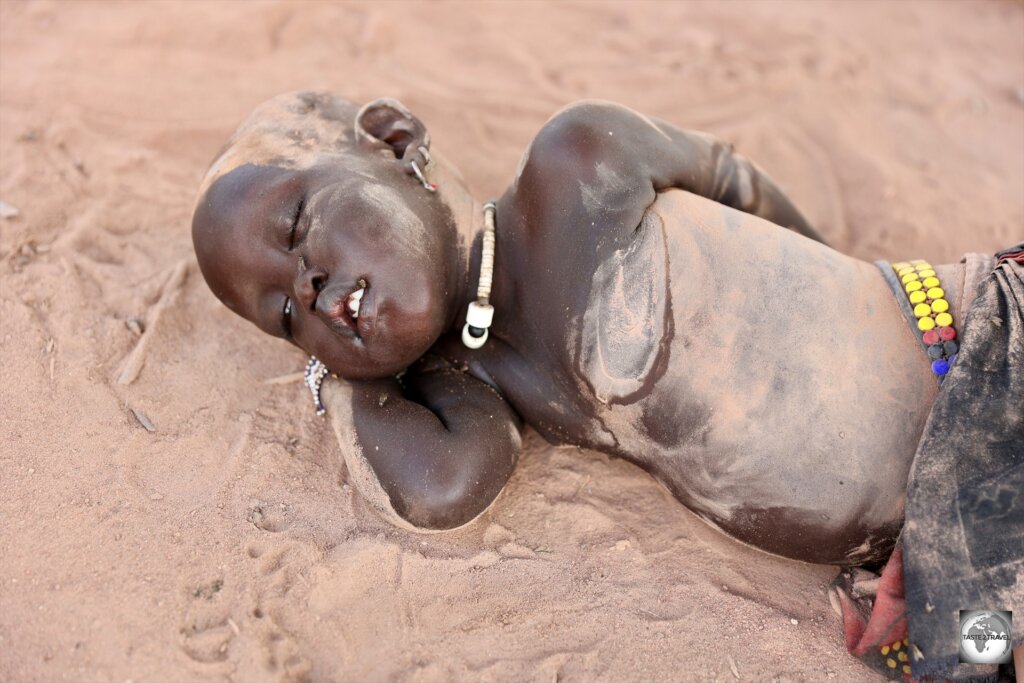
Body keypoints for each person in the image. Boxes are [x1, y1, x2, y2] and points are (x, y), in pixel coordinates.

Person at [192, 91, 1021, 680]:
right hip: (945, 528)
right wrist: (344, 371)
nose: (303, 288)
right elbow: (442, 485)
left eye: (295, 226)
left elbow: (731, 178)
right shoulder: (470, 381)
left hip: (976, 350)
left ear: (394, 140)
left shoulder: (575, 164)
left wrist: (843, 277)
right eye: (282, 317)